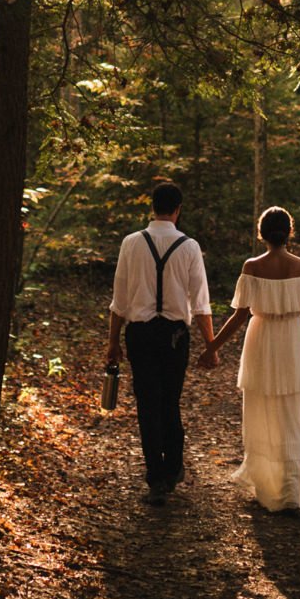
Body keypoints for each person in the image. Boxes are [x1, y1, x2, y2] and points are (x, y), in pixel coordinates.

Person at [106, 179, 215, 500]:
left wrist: (113, 343)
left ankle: (156, 478)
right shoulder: (190, 247)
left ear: (152, 207)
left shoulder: (131, 243)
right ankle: (174, 465)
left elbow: (119, 300)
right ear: (178, 211)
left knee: (147, 404)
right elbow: (201, 303)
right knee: (170, 400)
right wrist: (211, 347)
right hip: (175, 336)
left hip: (139, 334)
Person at [217, 204, 300, 513]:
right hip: (293, 336)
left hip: (261, 336)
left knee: (263, 408)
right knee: (293, 412)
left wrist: (214, 345)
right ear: (289, 232)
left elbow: (239, 316)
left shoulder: (252, 266)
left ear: (261, 233)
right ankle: (291, 493)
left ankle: (270, 488)